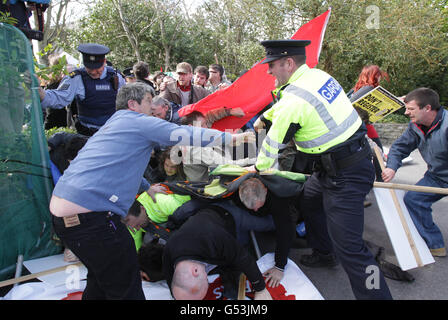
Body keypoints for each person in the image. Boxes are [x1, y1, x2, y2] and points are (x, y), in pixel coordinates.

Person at [49, 81, 253, 300]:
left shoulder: (113, 124)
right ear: (132, 104)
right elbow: (182, 133)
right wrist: (233, 138)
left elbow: (123, 166)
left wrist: (148, 187)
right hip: (90, 219)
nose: (153, 107)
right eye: (148, 101)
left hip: (65, 219)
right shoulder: (137, 121)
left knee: (101, 279)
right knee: (126, 284)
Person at [253, 39, 392, 299]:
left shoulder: (294, 100)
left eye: (271, 65)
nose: (268, 71)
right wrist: (264, 118)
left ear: (288, 63)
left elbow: (269, 152)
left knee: (351, 250)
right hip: (335, 166)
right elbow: (289, 106)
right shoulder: (317, 76)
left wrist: (256, 171)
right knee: (308, 200)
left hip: (345, 175)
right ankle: (324, 253)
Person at [382, 88, 447, 257]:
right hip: (437, 176)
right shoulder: (416, 126)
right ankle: (435, 244)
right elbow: (399, 147)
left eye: (411, 109)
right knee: (413, 200)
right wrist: (391, 167)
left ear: (427, 108)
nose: (406, 112)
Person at [162, 207, 272, 300]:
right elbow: (174, 285)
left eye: (206, 281)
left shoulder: (213, 237)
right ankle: (230, 281)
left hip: (226, 215)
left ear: (195, 271)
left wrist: (260, 289)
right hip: (214, 250)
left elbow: (243, 258)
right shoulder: (169, 251)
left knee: (266, 225)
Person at [38, 43, 126, 136]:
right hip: (87, 133)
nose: (93, 72)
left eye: (97, 69)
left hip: (112, 131)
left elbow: (126, 102)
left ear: (104, 61)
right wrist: (40, 91)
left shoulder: (116, 76)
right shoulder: (76, 78)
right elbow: (59, 97)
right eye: (89, 68)